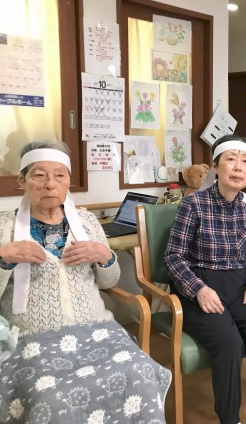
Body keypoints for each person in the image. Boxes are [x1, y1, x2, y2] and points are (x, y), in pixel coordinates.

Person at [0, 140, 170, 423]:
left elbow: (109, 282)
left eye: (59, 175)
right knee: (51, 398)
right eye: (39, 175)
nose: (50, 184)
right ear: (22, 180)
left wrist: (105, 256)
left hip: (96, 329)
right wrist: (4, 258)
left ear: (68, 182)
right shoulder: (5, 226)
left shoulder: (87, 222)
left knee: (138, 372)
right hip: (32, 337)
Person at [165, 135, 246, 424]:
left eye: (245, 161)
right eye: (231, 159)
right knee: (229, 344)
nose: (238, 167)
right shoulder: (194, 204)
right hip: (201, 284)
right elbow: (174, 257)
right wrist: (199, 290)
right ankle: (230, 419)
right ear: (215, 167)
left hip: (241, 286)